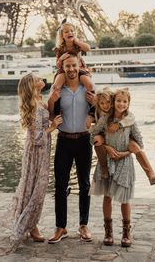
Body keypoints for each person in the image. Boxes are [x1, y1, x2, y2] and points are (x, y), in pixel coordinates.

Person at [89, 88, 155, 247]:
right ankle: (108, 232)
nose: (121, 104)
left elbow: (140, 143)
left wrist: (125, 153)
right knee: (107, 196)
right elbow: (93, 136)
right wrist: (106, 147)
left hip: (124, 161)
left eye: (124, 101)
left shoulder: (130, 121)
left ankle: (126, 233)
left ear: (128, 103)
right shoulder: (105, 119)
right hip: (107, 160)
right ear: (114, 102)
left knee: (125, 199)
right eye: (118, 101)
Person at [2, 73, 62, 252]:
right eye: (37, 78)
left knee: (33, 187)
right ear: (32, 86)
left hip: (40, 152)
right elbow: (37, 138)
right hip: (37, 153)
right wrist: (53, 126)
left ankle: (29, 224)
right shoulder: (35, 105)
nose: (41, 79)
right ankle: (31, 226)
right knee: (35, 189)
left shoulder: (39, 100)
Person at [48, 53, 94, 244]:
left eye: (74, 66)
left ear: (79, 65)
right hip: (64, 141)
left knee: (85, 185)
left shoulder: (88, 88)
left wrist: (94, 110)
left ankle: (83, 225)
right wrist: (52, 101)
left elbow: (101, 108)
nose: (71, 69)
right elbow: (50, 115)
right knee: (60, 185)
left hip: (84, 140)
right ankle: (61, 227)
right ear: (63, 68)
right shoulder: (58, 89)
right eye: (68, 66)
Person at [92, 87, 155, 185]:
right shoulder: (101, 115)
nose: (106, 105)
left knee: (135, 146)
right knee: (97, 139)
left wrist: (119, 125)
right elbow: (94, 133)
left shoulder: (127, 115)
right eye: (102, 103)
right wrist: (105, 146)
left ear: (111, 101)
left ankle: (150, 173)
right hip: (106, 139)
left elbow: (131, 118)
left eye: (108, 102)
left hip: (124, 141)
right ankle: (104, 168)